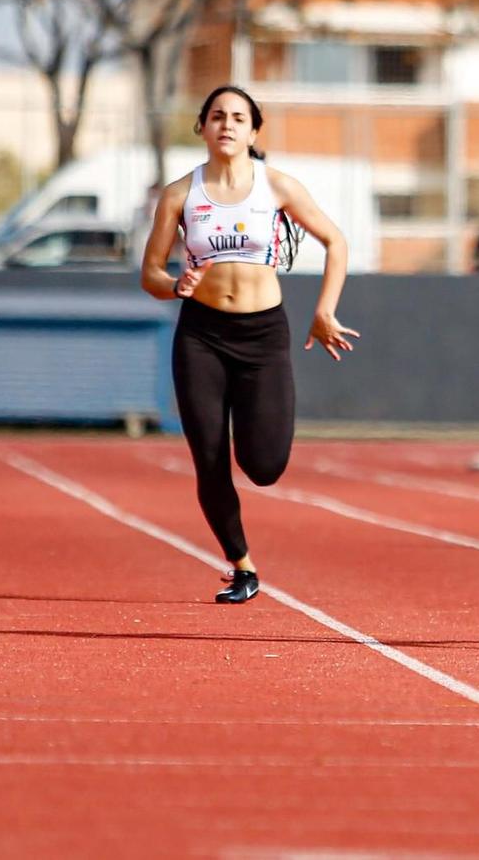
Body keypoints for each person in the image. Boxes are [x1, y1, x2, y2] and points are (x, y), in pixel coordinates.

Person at [141, 85, 360, 604]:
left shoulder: (277, 186)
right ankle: (242, 566)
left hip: (263, 334)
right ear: (202, 127)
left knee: (264, 466)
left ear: (253, 131)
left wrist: (324, 311)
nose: (227, 125)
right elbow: (150, 271)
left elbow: (336, 241)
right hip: (201, 334)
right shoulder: (179, 194)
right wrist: (175, 284)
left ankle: (249, 504)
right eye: (217, 116)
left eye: (239, 117)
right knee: (210, 458)